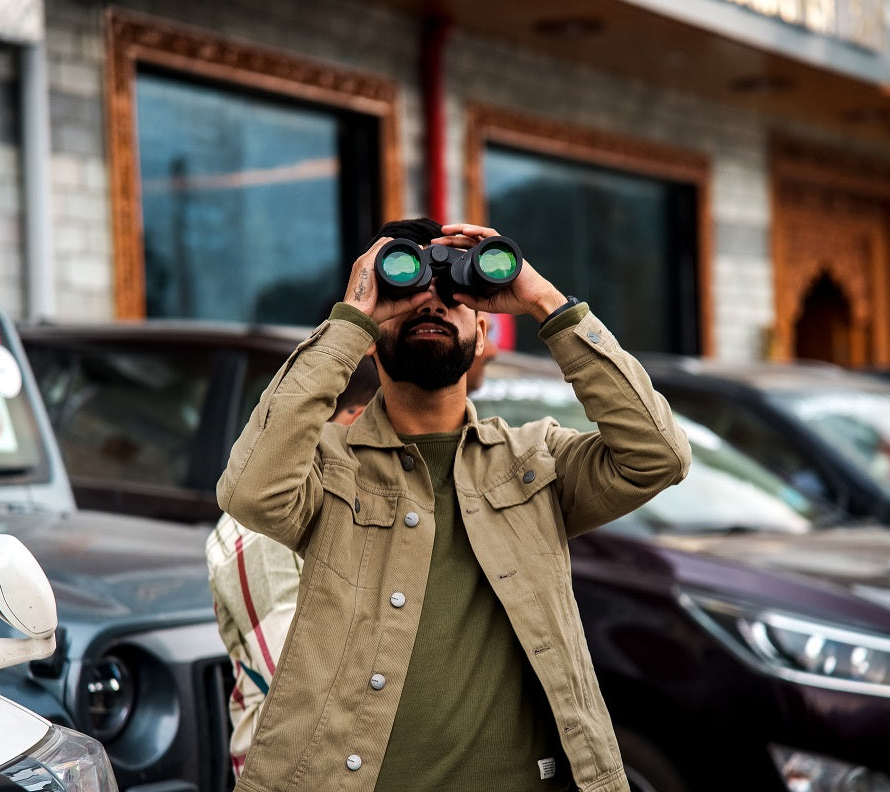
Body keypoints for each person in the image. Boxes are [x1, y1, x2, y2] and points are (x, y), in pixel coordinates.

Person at [217, 217, 691, 792]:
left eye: (453, 295)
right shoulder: (327, 466)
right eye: (408, 290)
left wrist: (544, 301)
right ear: (371, 332)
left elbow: (658, 456)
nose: (432, 303)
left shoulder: (534, 461)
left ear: (484, 333)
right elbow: (248, 490)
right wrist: (351, 321)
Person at [207, 356, 380, 776]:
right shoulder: (258, 528)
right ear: (356, 417)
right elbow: (302, 679)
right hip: (295, 770)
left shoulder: (349, 491)